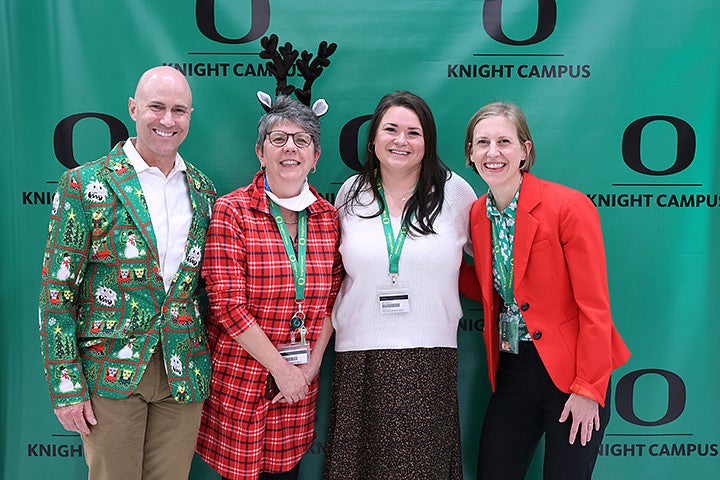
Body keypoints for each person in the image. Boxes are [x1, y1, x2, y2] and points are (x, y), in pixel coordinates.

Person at [38, 65, 216, 479]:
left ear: (190, 116)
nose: (167, 120)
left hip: (182, 371)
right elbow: (55, 292)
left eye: (179, 110)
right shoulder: (85, 184)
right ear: (134, 109)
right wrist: (66, 386)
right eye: (156, 107)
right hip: (109, 371)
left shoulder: (204, 191)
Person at [458, 101, 631, 479]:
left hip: (574, 371)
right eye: (482, 142)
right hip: (514, 367)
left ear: (525, 150)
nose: (493, 152)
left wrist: (588, 389)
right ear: (470, 155)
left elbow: (595, 308)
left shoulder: (569, 207)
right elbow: (495, 286)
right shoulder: (476, 214)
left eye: (504, 141)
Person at [323, 90, 476, 480]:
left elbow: (495, 266)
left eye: (414, 132)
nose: (401, 141)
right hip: (359, 356)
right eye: (390, 130)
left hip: (429, 357)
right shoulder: (350, 194)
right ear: (372, 139)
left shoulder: (456, 193)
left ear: (428, 143)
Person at [196, 95, 343, 480]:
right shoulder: (231, 211)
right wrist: (281, 369)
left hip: (296, 387)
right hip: (241, 383)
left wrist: (308, 370)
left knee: (286, 473)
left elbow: (334, 300)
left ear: (315, 156)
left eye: (301, 140)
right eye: (278, 139)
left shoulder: (329, 219)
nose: (290, 148)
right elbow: (227, 305)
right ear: (260, 152)